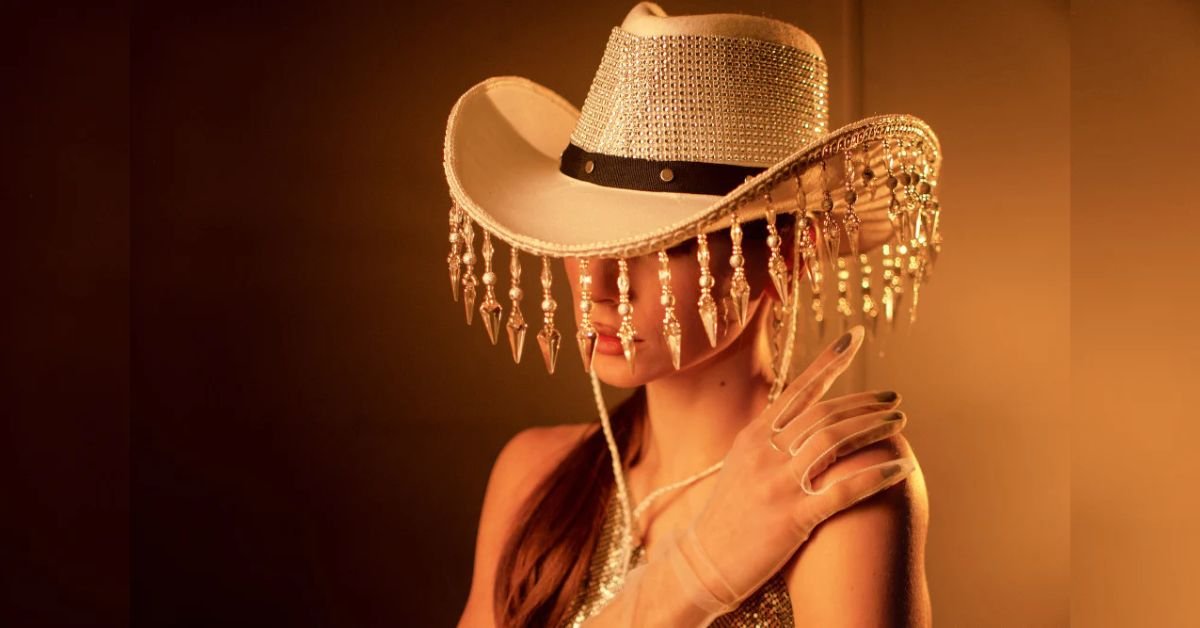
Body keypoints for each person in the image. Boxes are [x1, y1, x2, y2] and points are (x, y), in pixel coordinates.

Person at [441, 3, 943, 625]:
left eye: (660, 244)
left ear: (789, 254)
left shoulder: (836, 490)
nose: (596, 283)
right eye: (584, 238)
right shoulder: (532, 475)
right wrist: (698, 572)